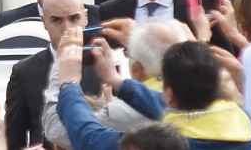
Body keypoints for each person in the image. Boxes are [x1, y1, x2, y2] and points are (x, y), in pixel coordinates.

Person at [55, 40, 251, 149]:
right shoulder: (243, 120)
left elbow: (89, 138)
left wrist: (69, 85)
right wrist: (116, 80)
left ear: (169, 94)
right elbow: (170, 110)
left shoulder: (164, 144)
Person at [43, 21, 187, 149]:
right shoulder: (199, 97)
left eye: (127, 53)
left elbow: (60, 131)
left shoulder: (120, 111)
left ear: (137, 69)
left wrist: (64, 73)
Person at [5, 0, 100, 150]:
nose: (67, 29)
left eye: (74, 18)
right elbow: (12, 141)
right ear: (44, 21)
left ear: (86, 17)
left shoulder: (106, 66)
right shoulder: (24, 72)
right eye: (56, 20)